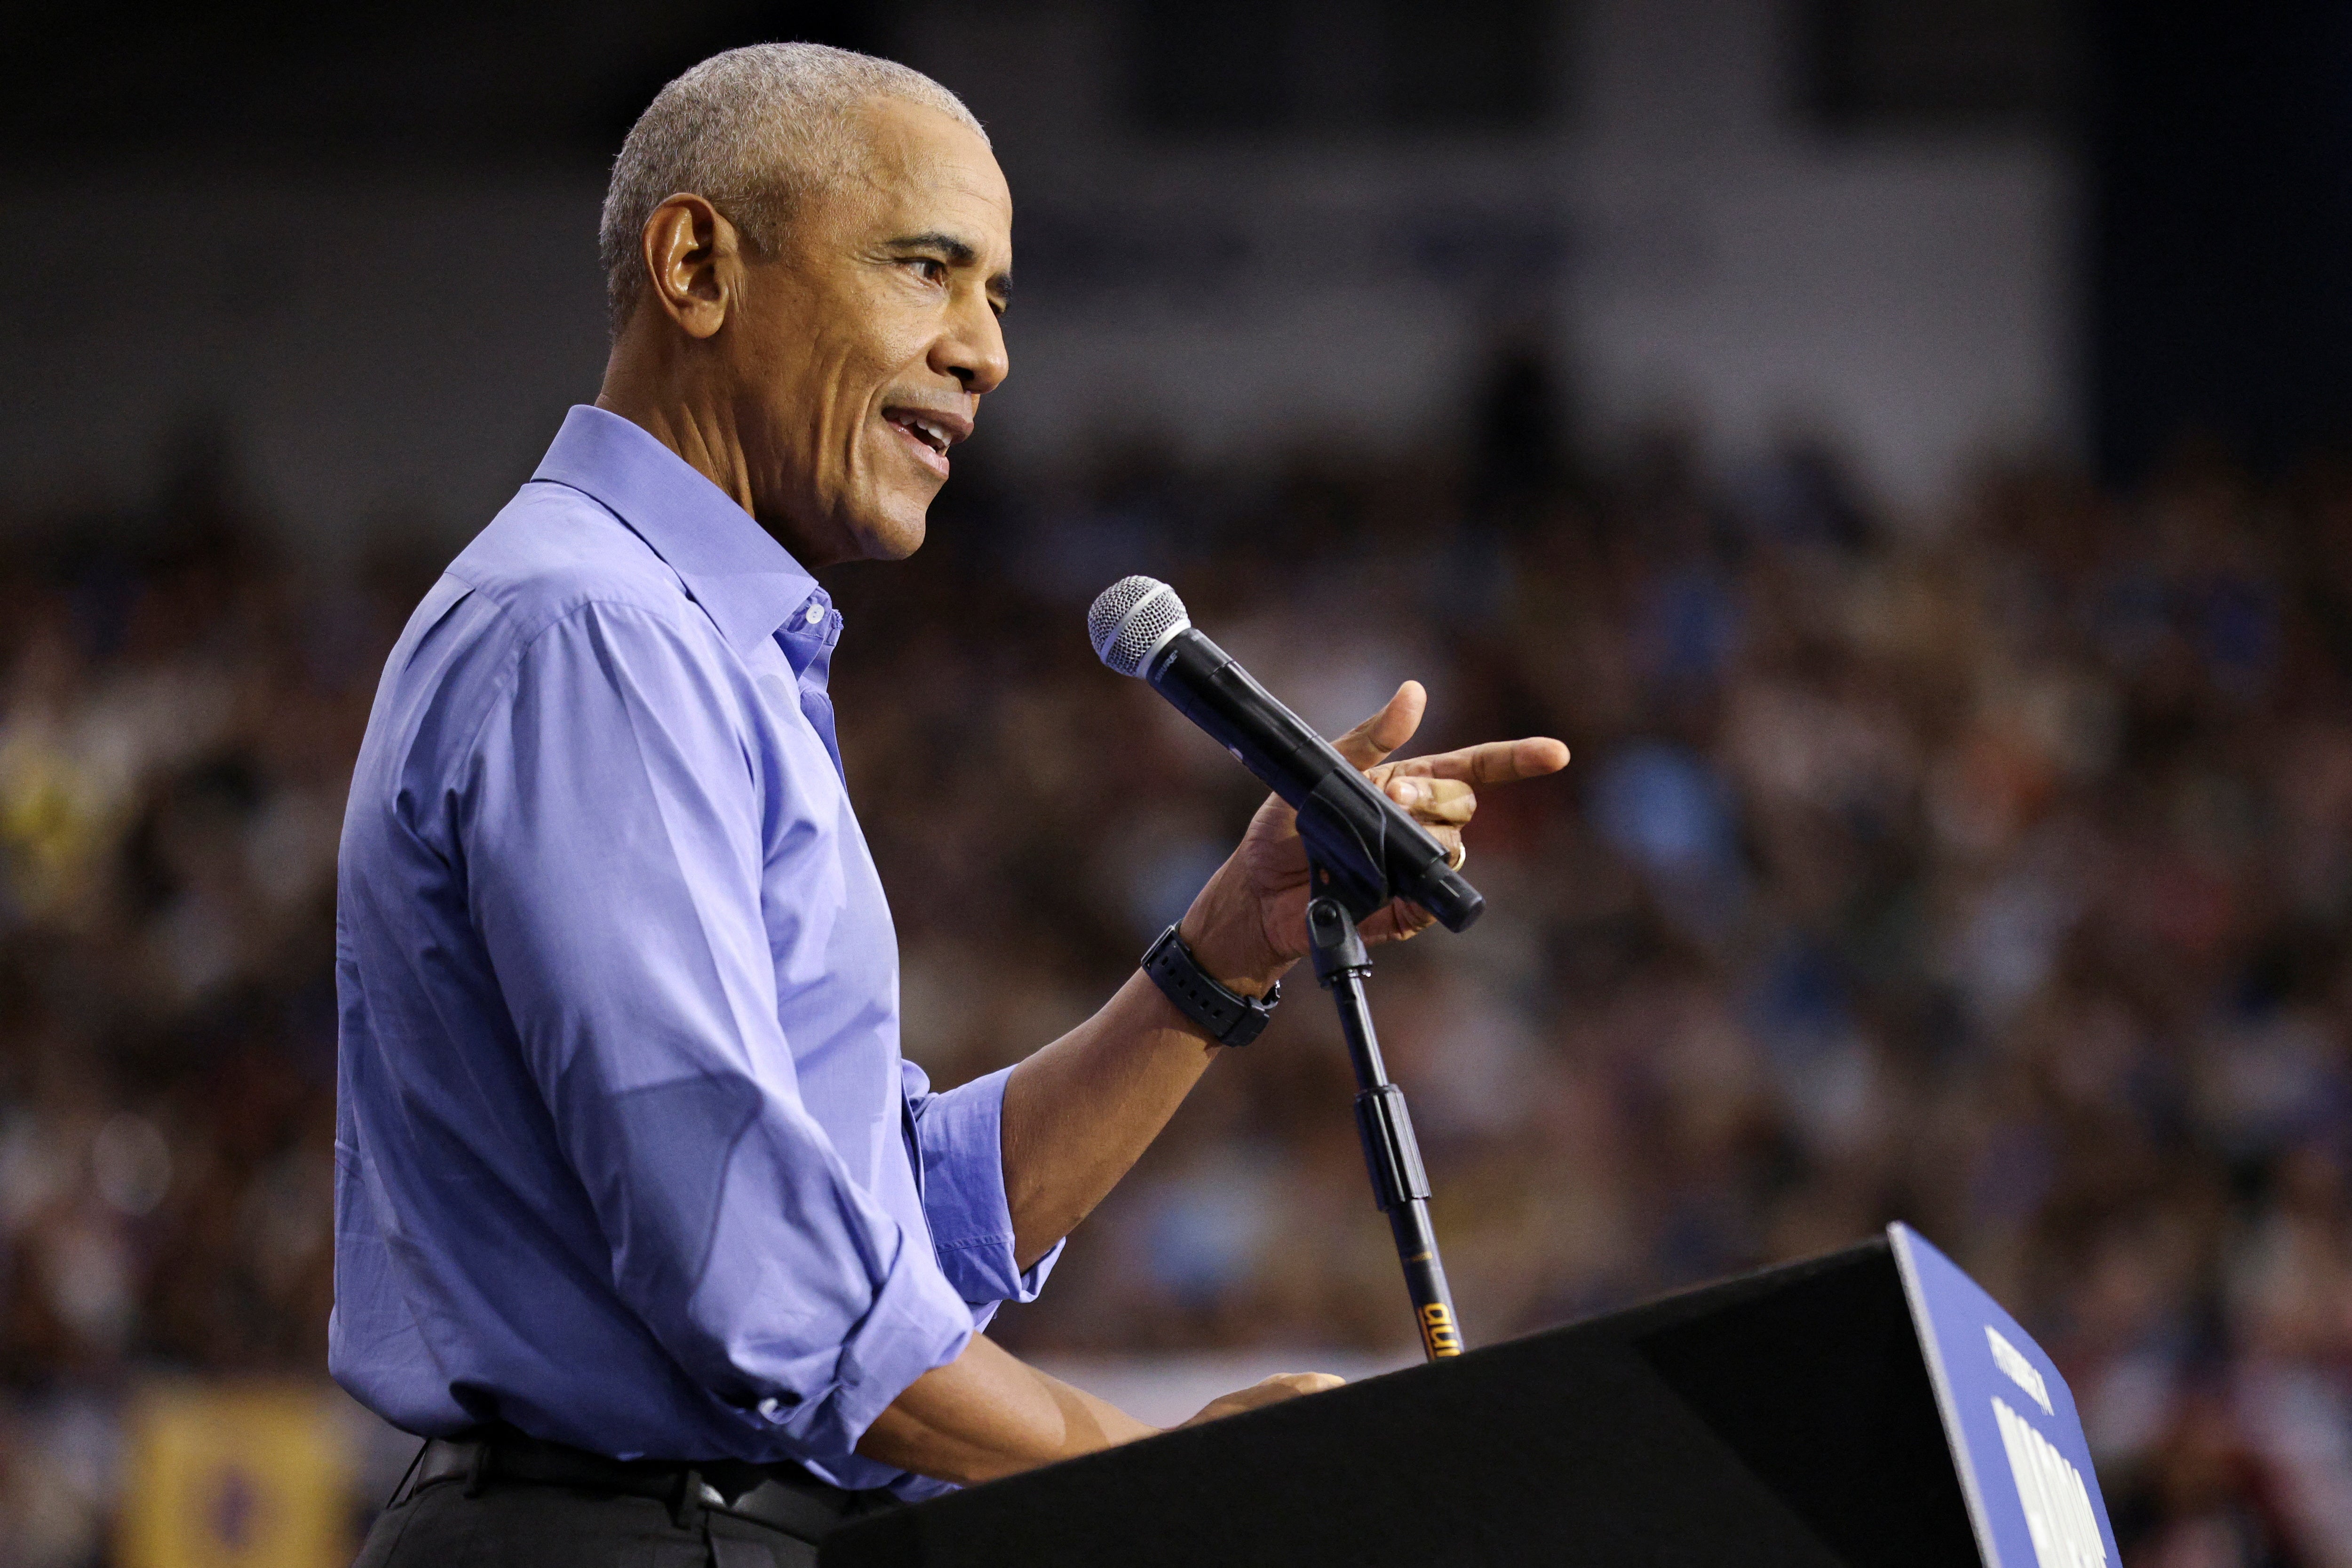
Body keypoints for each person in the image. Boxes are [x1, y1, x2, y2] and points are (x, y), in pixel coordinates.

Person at [334, 42, 1568, 1568]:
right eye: (929, 270)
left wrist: (1219, 954)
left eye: (998, 296)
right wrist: (1146, 1472)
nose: (986, 352)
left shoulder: (691, 645)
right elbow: (755, 1262)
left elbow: (876, 1229)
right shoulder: (595, 634)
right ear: (700, 265)